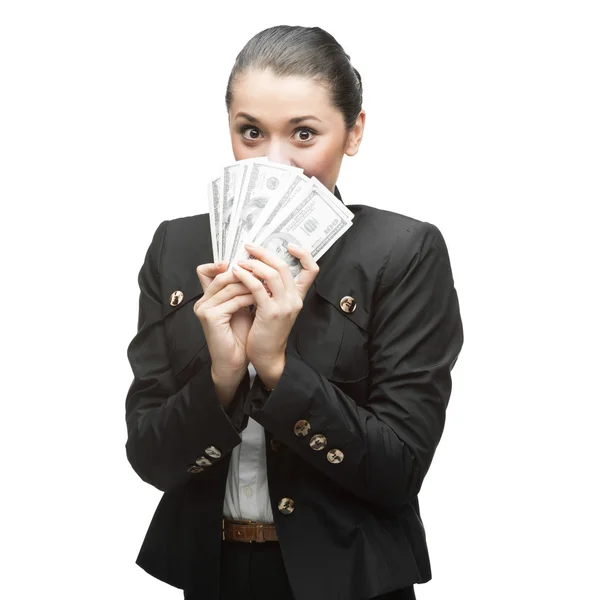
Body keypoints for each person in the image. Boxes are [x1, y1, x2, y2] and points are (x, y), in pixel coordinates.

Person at [125, 25, 463, 600]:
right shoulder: (178, 249)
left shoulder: (402, 252)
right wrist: (223, 377)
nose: (274, 164)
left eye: (304, 134)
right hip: (213, 576)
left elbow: (399, 468)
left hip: (353, 581)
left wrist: (278, 368)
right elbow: (151, 458)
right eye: (250, 132)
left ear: (354, 131)